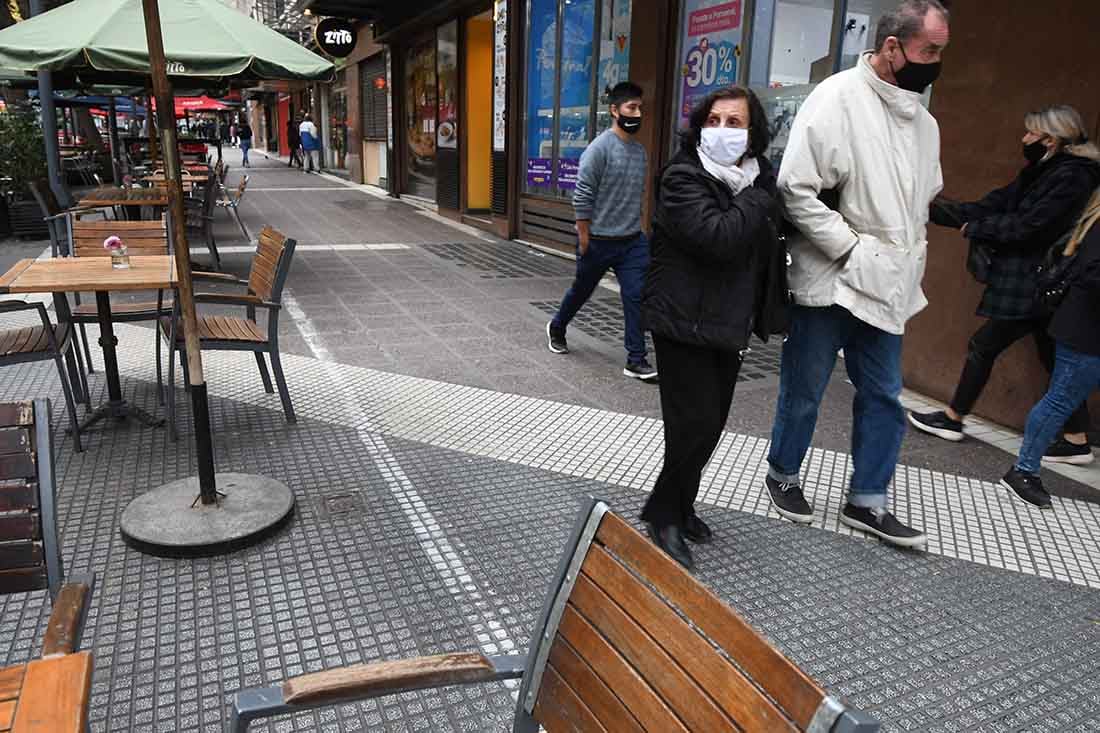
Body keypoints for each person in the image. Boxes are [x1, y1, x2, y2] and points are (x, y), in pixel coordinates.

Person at [763, 0, 949, 548]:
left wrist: (905, 255)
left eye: (941, 50)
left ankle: (869, 499)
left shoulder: (925, 121)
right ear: (892, 47)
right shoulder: (838, 96)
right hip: (832, 277)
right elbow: (795, 188)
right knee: (806, 387)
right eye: (929, 50)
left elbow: (922, 198)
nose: (936, 61)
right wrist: (851, 249)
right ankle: (783, 472)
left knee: (885, 395)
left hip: (890, 282)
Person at [639, 86, 787, 569]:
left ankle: (681, 506)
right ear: (700, 126)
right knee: (692, 425)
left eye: (735, 122)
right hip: (682, 322)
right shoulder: (683, 178)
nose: (723, 131)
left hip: (726, 323)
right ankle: (664, 513)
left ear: (753, 133)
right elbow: (718, 237)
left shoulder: (751, 180)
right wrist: (761, 197)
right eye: (716, 120)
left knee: (711, 425)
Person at [910, 106, 1100, 463]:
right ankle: (1076, 439)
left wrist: (980, 228)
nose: (1024, 139)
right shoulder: (1044, 172)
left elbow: (1032, 225)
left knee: (984, 345)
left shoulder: (1072, 177)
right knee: (1048, 354)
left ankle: (954, 419)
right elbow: (993, 205)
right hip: (1038, 282)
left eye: (1030, 133)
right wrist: (928, 209)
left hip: (1036, 281)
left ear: (1051, 138)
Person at [545, 81, 656, 381]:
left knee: (636, 295)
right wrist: (583, 237)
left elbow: (638, 195)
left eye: (640, 108)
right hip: (597, 240)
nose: (637, 113)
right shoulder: (599, 149)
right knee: (582, 290)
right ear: (614, 110)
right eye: (631, 108)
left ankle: (636, 358)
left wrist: (641, 230)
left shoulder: (640, 153)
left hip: (631, 241)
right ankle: (557, 326)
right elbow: (582, 195)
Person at [1002, 189, 1100, 507]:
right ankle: (1023, 471)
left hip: (1084, 328)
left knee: (1062, 398)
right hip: (1085, 331)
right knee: (1060, 400)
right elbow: (1092, 275)